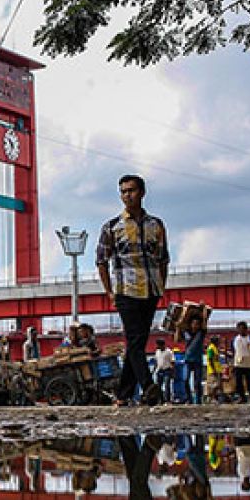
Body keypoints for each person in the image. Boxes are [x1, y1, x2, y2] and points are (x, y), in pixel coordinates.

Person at [96, 174, 169, 406]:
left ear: (142, 193)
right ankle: (149, 387)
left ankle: (123, 394)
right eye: (123, 191)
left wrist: (161, 285)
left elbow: (163, 258)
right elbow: (101, 261)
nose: (127, 195)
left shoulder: (155, 225)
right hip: (125, 291)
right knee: (136, 340)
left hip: (150, 289)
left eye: (131, 191)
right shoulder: (112, 227)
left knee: (136, 342)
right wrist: (110, 292)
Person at [232, 321, 250, 403]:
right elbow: (233, 351)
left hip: (249, 363)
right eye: (239, 329)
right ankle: (242, 397)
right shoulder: (235, 339)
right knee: (238, 382)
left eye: (242, 329)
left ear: (246, 329)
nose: (240, 331)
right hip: (238, 363)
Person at [182, 316, 206, 404]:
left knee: (197, 382)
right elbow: (177, 338)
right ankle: (189, 399)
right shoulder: (186, 333)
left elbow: (204, 322)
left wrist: (203, 310)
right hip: (187, 360)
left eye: (197, 324)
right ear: (191, 324)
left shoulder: (201, 333)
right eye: (194, 324)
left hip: (197, 360)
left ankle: (198, 400)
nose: (195, 326)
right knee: (185, 379)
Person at [206, 335, 224, 402]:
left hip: (217, 369)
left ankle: (215, 397)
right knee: (214, 385)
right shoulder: (211, 348)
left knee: (218, 384)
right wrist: (213, 369)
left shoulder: (215, 348)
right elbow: (210, 359)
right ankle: (212, 398)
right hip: (212, 370)